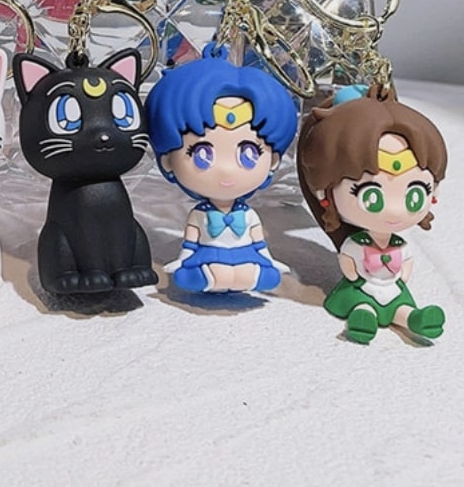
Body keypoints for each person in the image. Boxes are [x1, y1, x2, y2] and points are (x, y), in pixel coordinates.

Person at [297, 85, 447, 343]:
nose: (395, 210)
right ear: (325, 192)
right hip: (361, 287)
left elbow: (406, 265)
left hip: (391, 287)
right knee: (363, 304)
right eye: (372, 197)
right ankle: (362, 318)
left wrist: (399, 277)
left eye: (414, 195)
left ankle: (415, 319)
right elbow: (350, 267)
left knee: (401, 306)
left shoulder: (399, 245)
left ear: (434, 192)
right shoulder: (356, 244)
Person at [145, 44, 298, 293]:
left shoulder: (249, 216)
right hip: (208, 254)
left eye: (249, 154)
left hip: (245, 253)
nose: (226, 170)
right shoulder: (199, 215)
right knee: (207, 273)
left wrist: (269, 260)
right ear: (168, 162)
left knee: (258, 274)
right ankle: (211, 276)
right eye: (202, 154)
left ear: (272, 162)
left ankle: (240, 276)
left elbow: (259, 244)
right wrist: (182, 260)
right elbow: (190, 245)